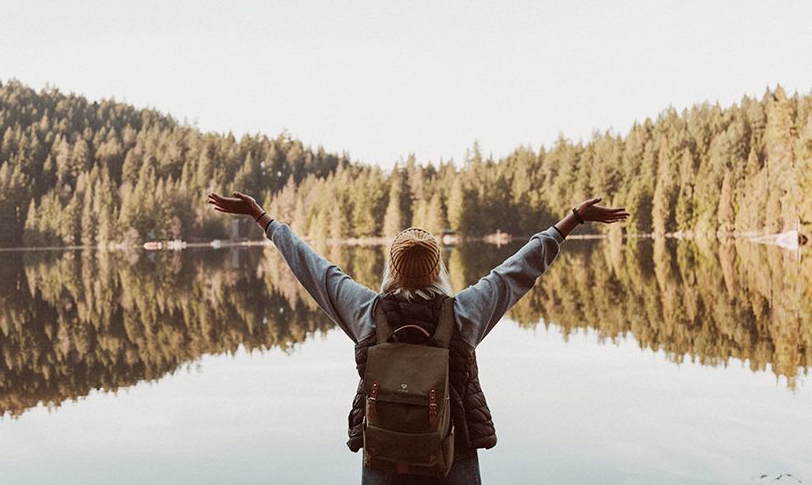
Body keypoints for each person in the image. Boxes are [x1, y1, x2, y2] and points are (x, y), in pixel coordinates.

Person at [208, 191, 628, 484]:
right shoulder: (463, 313)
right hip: (453, 452)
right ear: (437, 271)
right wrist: (573, 219)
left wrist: (262, 218)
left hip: (385, 453)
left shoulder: (367, 314)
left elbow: (313, 268)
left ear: (392, 270)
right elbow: (519, 270)